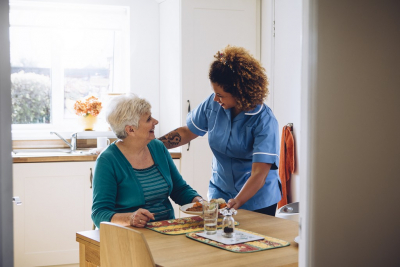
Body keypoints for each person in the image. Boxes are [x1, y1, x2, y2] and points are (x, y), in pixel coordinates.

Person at [159, 45, 281, 216]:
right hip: (221, 193)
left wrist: (237, 201)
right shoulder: (213, 103)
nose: (216, 98)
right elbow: (187, 132)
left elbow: (259, 174)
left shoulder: (264, 120)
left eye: (221, 95)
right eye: (214, 93)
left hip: (256, 200)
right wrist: (154, 145)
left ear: (240, 92)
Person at [91, 94, 203, 228]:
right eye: (148, 119)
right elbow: (99, 213)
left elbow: (179, 189)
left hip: (166, 230)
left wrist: (199, 201)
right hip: (129, 235)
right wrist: (130, 218)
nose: (155, 121)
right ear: (130, 129)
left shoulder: (158, 147)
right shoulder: (108, 160)